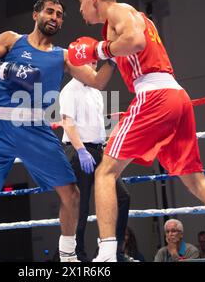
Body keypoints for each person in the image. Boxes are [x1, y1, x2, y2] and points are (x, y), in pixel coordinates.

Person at [68, 0, 205, 262]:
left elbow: (133, 43)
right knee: (196, 182)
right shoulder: (123, 23)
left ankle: (108, 254)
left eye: (81, 2)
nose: (80, 10)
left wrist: (97, 50)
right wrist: (86, 55)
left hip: (154, 95)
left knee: (105, 172)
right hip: (176, 96)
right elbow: (99, 80)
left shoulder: (120, 12)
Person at [0, 0, 115, 262]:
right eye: (50, 11)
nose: (54, 17)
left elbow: (97, 82)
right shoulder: (10, 39)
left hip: (36, 129)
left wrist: (113, 57)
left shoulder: (63, 56)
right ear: (36, 15)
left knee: (72, 195)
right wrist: (7, 70)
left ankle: (67, 257)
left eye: (60, 15)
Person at [59, 62, 131, 262]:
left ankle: (113, 253)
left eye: (94, 62)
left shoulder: (96, 91)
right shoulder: (70, 90)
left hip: (99, 151)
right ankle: (77, 256)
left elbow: (96, 124)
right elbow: (68, 122)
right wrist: (81, 150)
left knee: (122, 197)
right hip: (77, 151)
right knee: (79, 207)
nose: (92, 65)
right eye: (87, 62)